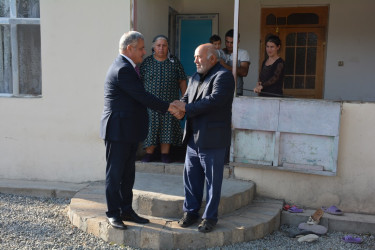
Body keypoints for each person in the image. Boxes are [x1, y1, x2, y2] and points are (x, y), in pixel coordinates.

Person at [100, 31, 179, 230]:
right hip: (118, 130)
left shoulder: (129, 67)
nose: (145, 52)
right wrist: (169, 107)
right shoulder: (122, 69)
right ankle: (113, 213)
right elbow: (142, 96)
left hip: (128, 130)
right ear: (130, 48)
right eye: (142, 48)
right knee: (115, 174)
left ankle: (126, 209)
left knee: (128, 174)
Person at [172, 43, 235, 233]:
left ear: (212, 58)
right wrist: (180, 109)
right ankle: (190, 212)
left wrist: (186, 109)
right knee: (191, 178)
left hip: (213, 139)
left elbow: (213, 102)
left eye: (198, 56)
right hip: (193, 137)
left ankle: (209, 217)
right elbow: (187, 98)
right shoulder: (196, 76)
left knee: (213, 182)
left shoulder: (223, 76)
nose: (195, 60)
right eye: (194, 57)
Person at [140, 35, 187, 163]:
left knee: (168, 127)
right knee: (151, 128)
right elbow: (139, 83)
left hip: (169, 103)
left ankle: (165, 154)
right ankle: (149, 153)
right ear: (153, 47)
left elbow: (182, 81)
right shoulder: (146, 63)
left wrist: (184, 100)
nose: (161, 48)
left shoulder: (174, 62)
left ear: (168, 47)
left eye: (164, 45)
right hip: (151, 104)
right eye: (158, 45)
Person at [221, 29, 250, 96]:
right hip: (222, 89)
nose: (229, 45)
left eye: (232, 43)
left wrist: (225, 65)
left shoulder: (243, 53)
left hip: (236, 91)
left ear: (238, 42)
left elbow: (244, 72)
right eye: (227, 42)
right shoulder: (222, 52)